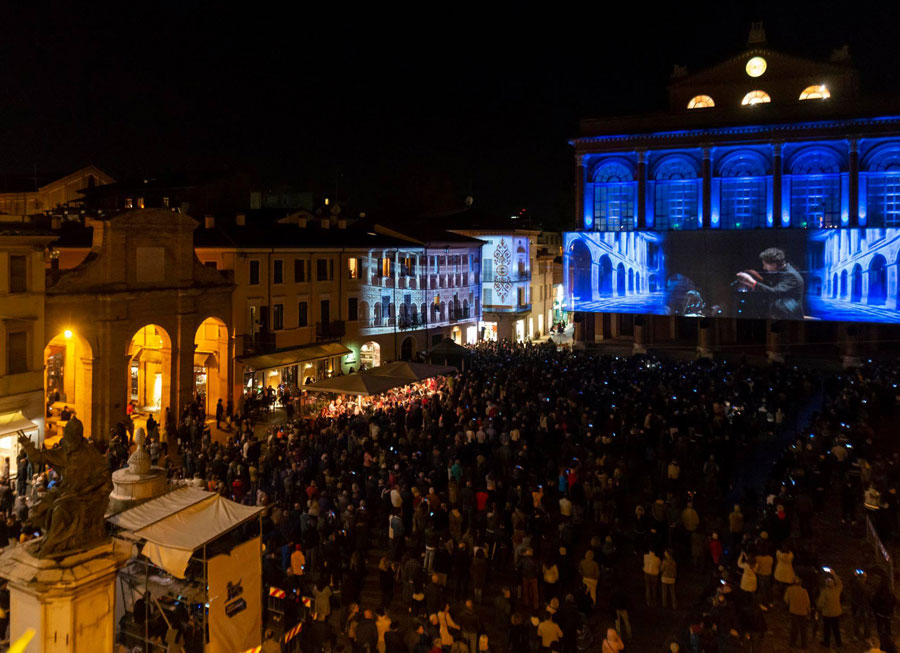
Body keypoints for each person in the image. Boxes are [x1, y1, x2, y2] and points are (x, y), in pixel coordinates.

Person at [735, 247, 805, 320]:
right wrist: (757, 278)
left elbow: (774, 292)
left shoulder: (791, 276)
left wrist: (752, 282)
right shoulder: (784, 273)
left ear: (774, 264)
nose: (764, 268)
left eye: (765, 265)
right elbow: (772, 287)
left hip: (789, 319)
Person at [817, 570, 843, 650]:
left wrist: (819, 609)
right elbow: (840, 583)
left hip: (827, 614)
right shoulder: (837, 590)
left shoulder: (824, 592)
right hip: (836, 614)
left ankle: (826, 643)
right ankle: (839, 643)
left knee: (827, 630)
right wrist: (834, 574)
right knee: (836, 629)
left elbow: (820, 603)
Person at [785, 576, 811, 650]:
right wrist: (809, 612)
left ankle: (792, 643)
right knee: (803, 630)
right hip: (803, 612)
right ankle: (804, 645)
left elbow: (786, 600)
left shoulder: (789, 590)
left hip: (794, 611)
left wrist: (789, 605)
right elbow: (807, 603)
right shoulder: (804, 591)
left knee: (794, 629)